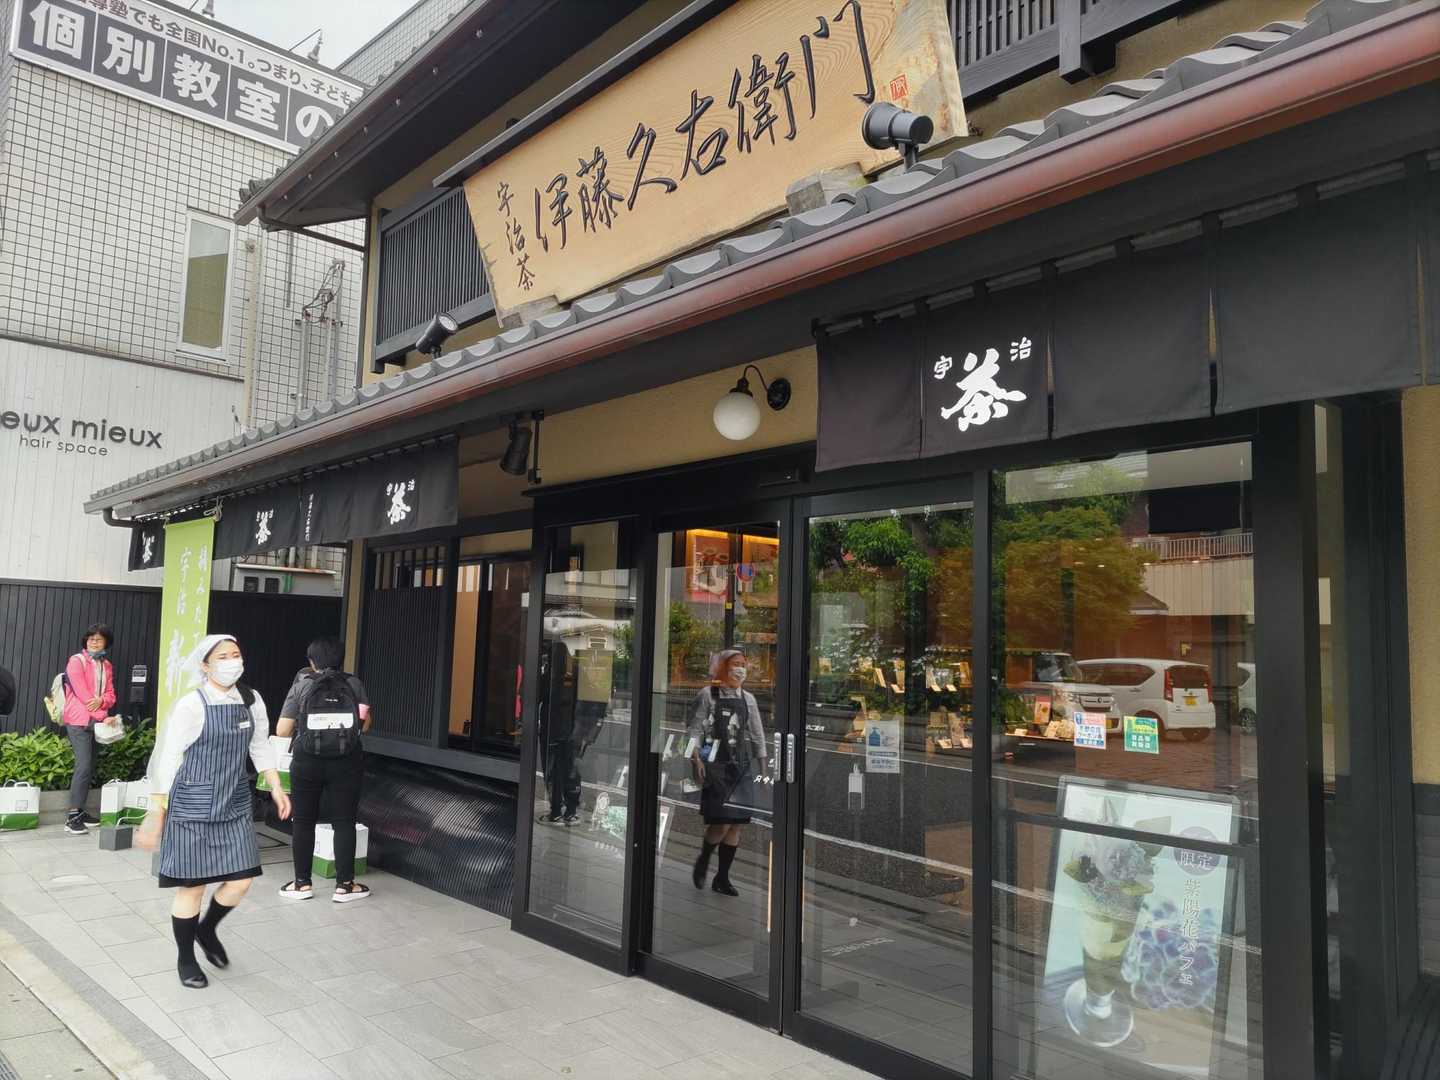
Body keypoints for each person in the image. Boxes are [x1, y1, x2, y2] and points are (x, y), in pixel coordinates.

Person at [135, 635, 290, 989]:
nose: (232, 661)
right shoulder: (192, 705)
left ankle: (207, 929)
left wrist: (276, 785)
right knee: (193, 887)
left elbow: (260, 745)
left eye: (236, 654)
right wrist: (156, 811)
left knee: (241, 879)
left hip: (234, 802)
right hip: (192, 804)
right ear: (205, 666)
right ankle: (186, 958)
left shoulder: (251, 699)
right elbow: (169, 757)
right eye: (223, 656)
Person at [275, 636, 372, 903]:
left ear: (312, 661)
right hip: (347, 761)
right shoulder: (354, 684)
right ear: (341, 659)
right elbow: (364, 725)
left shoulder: (302, 685)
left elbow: (282, 730)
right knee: (344, 821)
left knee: (303, 820)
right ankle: (345, 886)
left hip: (306, 762)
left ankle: (302, 884)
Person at [689, 648, 768, 896]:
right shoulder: (708, 695)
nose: (740, 669)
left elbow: (758, 735)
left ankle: (722, 878)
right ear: (723, 666)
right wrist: (695, 760)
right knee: (722, 821)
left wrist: (763, 771)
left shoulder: (748, 698)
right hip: (715, 764)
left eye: (743, 664)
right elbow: (694, 730)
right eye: (735, 663)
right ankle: (704, 859)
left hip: (741, 766)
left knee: (736, 825)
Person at [61, 623, 117, 835]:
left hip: (97, 720)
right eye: (91, 638)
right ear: (85, 641)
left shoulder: (106, 665)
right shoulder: (77, 661)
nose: (94, 642)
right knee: (83, 766)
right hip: (79, 720)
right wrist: (103, 715)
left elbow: (111, 695)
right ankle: (72, 817)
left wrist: (102, 701)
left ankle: (80, 811)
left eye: (99, 639)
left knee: (90, 766)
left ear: (106, 643)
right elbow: (82, 693)